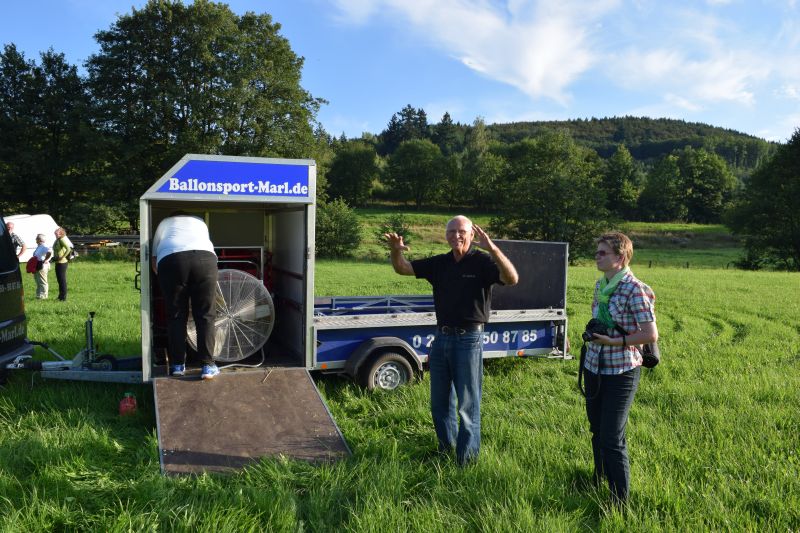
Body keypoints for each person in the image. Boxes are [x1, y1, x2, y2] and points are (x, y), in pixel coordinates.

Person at [385, 215, 518, 465]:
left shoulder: (482, 262)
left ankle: (465, 462)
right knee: (440, 404)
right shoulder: (440, 263)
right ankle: (446, 451)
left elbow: (512, 279)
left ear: (471, 234)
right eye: (451, 231)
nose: (456, 235)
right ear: (445, 236)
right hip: (441, 339)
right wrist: (395, 250)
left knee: (467, 405)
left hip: (469, 340)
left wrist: (492, 248)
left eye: (461, 231)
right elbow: (403, 268)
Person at [582, 232, 658, 507]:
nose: (597, 256)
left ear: (621, 257)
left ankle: (619, 502)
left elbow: (650, 334)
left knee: (612, 437)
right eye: (597, 251)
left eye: (603, 252)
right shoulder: (600, 285)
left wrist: (614, 341)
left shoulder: (635, 289)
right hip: (594, 365)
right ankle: (598, 479)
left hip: (622, 371)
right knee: (597, 430)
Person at [151, 212, 219, 380]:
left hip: (172, 260)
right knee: (205, 315)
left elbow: (154, 258)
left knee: (176, 315)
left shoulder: (164, 222)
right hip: (205, 259)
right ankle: (208, 366)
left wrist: (165, 279)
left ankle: (177, 365)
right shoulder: (201, 222)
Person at [52, 227, 72, 301]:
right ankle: (60, 296)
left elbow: (68, 249)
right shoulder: (57, 240)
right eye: (55, 232)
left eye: (57, 232)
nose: (55, 233)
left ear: (61, 233)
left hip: (62, 262)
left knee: (62, 280)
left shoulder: (61, 240)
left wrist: (62, 257)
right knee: (59, 280)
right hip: (58, 262)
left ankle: (63, 298)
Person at [32, 234, 52, 299]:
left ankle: (43, 296)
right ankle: (39, 295)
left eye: (36, 238)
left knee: (42, 281)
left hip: (42, 265)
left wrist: (46, 260)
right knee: (38, 281)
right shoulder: (40, 246)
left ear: (39, 240)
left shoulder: (44, 246)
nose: (35, 240)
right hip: (37, 265)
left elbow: (49, 252)